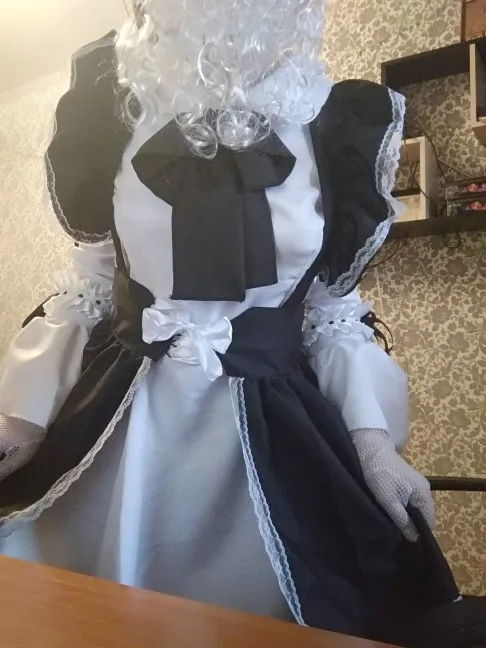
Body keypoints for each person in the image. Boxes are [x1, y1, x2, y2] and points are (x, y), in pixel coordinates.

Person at [0, 1, 484, 646]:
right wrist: (23, 417)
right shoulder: (112, 108)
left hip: (275, 428)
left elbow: (330, 314)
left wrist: (371, 441)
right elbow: (90, 285)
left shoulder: (335, 125)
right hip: (121, 426)